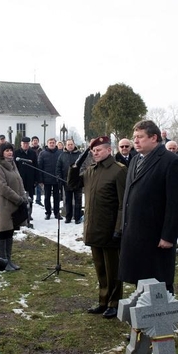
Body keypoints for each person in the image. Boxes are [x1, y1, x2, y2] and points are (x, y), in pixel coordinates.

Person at [119, 120, 178, 293]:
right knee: (140, 280)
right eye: (134, 137)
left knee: (159, 283)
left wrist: (168, 236)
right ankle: (143, 315)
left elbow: (176, 203)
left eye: (140, 137)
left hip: (156, 236)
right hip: (135, 233)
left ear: (154, 138)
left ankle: (162, 318)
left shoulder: (171, 162)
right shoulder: (134, 160)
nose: (136, 141)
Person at [68, 136, 127, 318]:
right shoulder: (91, 170)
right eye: (92, 151)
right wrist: (77, 162)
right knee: (100, 267)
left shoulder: (118, 171)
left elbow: (123, 204)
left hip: (110, 229)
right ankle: (103, 300)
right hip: (94, 227)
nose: (95, 153)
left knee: (113, 269)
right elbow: (72, 185)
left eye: (98, 150)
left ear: (109, 150)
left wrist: (119, 228)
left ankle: (114, 302)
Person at [0, 142, 28, 271]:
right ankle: (2, 261)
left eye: (11, 150)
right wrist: (18, 199)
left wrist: (23, 196)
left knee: (10, 232)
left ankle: (9, 260)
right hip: (3, 205)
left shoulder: (12, 164)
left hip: (14, 204)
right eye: (6, 150)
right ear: (1, 152)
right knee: (3, 231)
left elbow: (19, 181)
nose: (10, 152)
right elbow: (2, 188)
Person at [56, 139, 83, 223]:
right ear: (65, 146)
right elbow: (58, 168)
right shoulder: (62, 155)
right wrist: (59, 178)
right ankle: (68, 217)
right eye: (68, 144)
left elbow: (83, 167)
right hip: (66, 181)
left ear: (74, 145)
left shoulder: (79, 155)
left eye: (71, 144)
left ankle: (77, 218)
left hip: (77, 181)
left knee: (78, 201)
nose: (70, 146)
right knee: (68, 201)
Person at [15, 136, 39, 226]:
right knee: (20, 198)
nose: (25, 145)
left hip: (30, 179)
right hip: (19, 180)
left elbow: (36, 166)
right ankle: (21, 215)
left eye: (27, 144)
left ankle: (29, 214)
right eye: (24, 143)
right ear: (21, 144)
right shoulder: (16, 153)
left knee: (30, 198)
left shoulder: (32, 153)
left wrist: (37, 179)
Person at [38, 138, 62, 220]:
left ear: (55, 144)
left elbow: (62, 166)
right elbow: (40, 167)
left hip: (57, 179)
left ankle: (57, 212)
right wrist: (40, 179)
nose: (51, 144)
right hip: (46, 179)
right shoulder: (42, 153)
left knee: (57, 197)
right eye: (50, 143)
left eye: (53, 143)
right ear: (47, 144)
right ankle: (48, 212)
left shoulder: (60, 153)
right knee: (47, 197)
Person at [30, 136, 43, 206]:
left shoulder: (41, 150)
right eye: (34, 140)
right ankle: (30, 199)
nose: (35, 142)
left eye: (36, 140)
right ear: (32, 142)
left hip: (38, 169)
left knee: (39, 186)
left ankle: (38, 199)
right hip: (31, 169)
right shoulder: (29, 150)